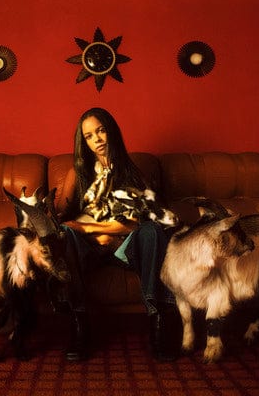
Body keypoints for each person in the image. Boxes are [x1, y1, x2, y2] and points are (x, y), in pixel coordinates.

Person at [53, 107, 176, 361]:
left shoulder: (131, 172)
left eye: (101, 131)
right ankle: (79, 325)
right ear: (83, 142)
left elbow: (132, 224)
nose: (97, 139)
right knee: (64, 232)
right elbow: (63, 219)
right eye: (88, 136)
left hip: (123, 249)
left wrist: (86, 227)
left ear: (112, 132)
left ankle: (158, 323)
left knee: (152, 231)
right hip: (88, 251)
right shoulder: (76, 174)